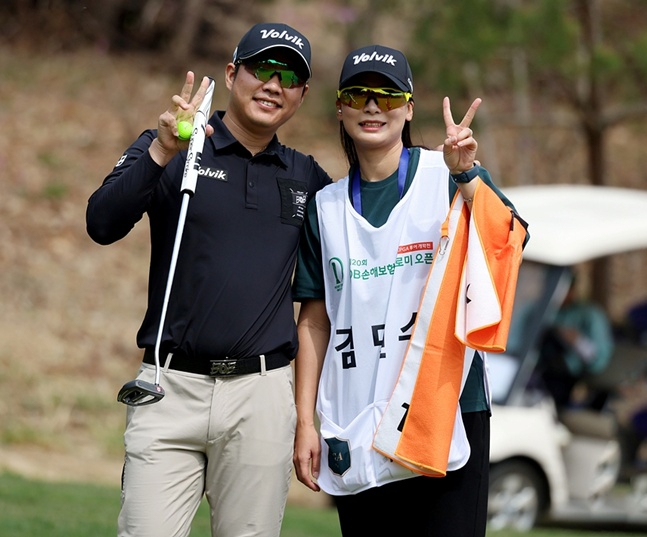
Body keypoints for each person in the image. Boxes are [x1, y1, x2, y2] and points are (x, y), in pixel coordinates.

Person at [86, 22, 331, 537]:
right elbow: (101, 223)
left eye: (289, 78)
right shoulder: (174, 147)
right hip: (169, 388)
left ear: (302, 95)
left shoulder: (306, 177)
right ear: (232, 73)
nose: (273, 85)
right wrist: (161, 152)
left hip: (261, 398)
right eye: (262, 69)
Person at [292, 45, 528, 536]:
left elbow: (510, 238)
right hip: (358, 416)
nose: (372, 107)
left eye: (386, 95)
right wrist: (304, 421)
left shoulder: (447, 175)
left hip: (447, 408)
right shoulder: (325, 207)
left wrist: (466, 174)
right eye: (358, 95)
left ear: (409, 108)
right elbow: (315, 320)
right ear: (340, 108)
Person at [539, 274, 614, 408]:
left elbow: (599, 360)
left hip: (568, 376)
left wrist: (578, 341)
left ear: (571, 290)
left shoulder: (590, 315)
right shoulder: (540, 310)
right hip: (537, 368)